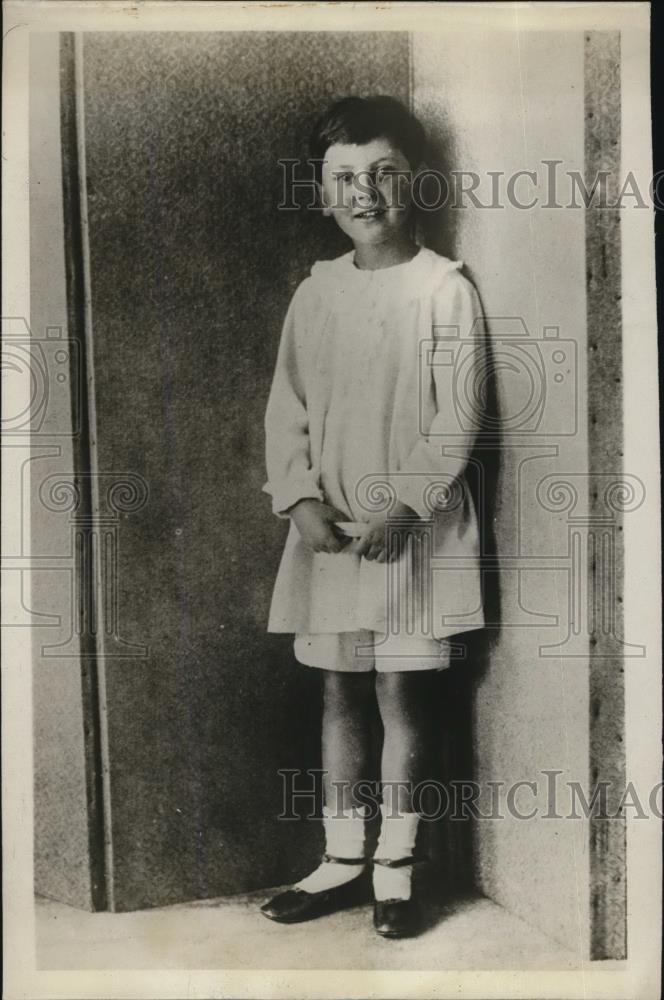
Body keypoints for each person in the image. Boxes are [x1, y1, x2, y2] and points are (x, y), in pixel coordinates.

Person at [261, 96, 485, 938]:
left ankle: (397, 866)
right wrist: (299, 497)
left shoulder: (443, 290)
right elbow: (287, 406)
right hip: (333, 535)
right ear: (324, 193)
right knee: (339, 688)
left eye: (385, 173)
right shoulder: (316, 293)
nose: (366, 192)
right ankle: (342, 857)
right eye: (346, 177)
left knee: (401, 690)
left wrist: (408, 504)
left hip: (411, 535)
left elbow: (458, 415)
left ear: (415, 181)